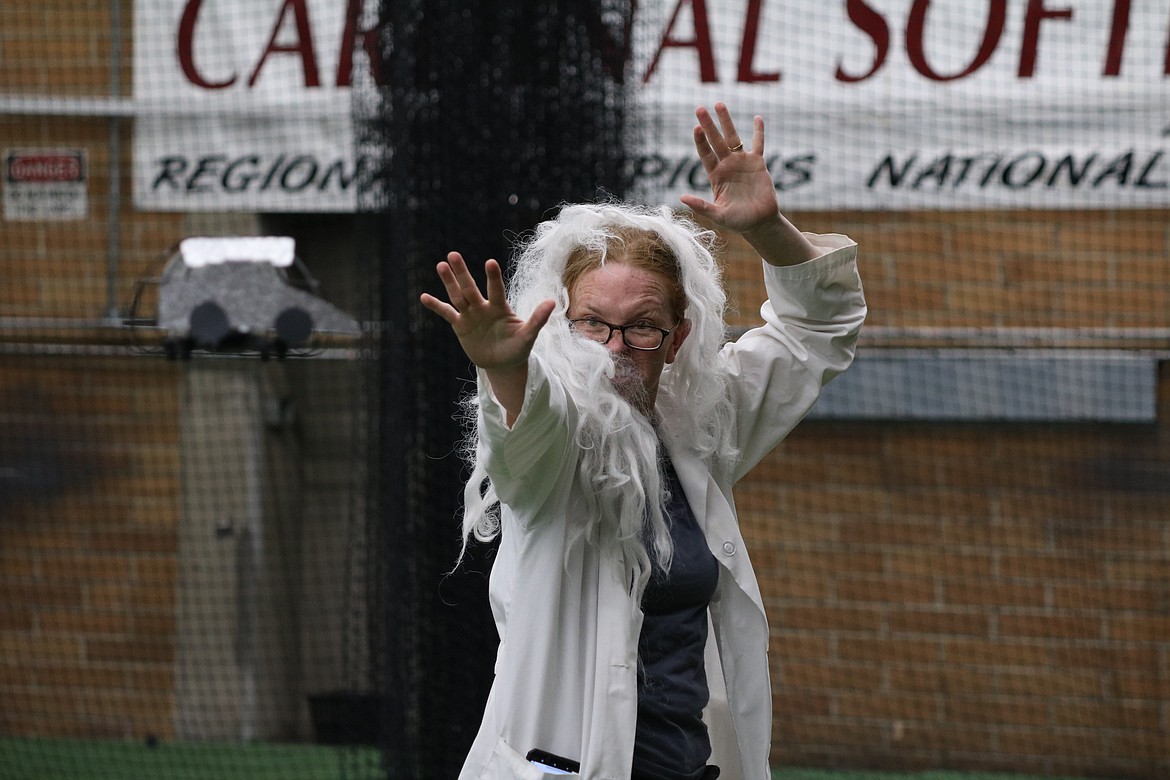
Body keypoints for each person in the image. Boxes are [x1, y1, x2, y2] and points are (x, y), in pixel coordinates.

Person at [420, 103, 866, 780]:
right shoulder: (559, 445)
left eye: (642, 326)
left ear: (678, 338)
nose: (617, 347)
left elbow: (817, 332)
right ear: (560, 329)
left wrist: (770, 230)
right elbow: (523, 443)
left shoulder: (700, 426)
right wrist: (505, 367)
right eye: (592, 323)